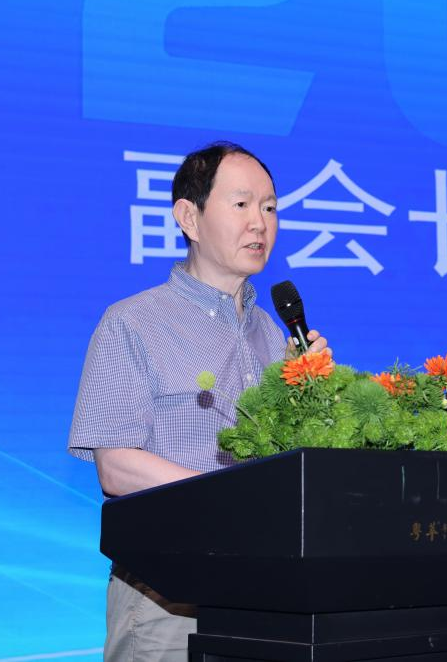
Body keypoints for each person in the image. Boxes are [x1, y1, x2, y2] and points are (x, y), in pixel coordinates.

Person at [68, 141, 330, 661]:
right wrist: (232, 497)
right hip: (168, 595)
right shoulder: (132, 323)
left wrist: (310, 393)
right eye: (242, 204)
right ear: (189, 217)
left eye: (270, 207)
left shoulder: (273, 335)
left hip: (264, 590)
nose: (259, 223)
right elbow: (116, 468)